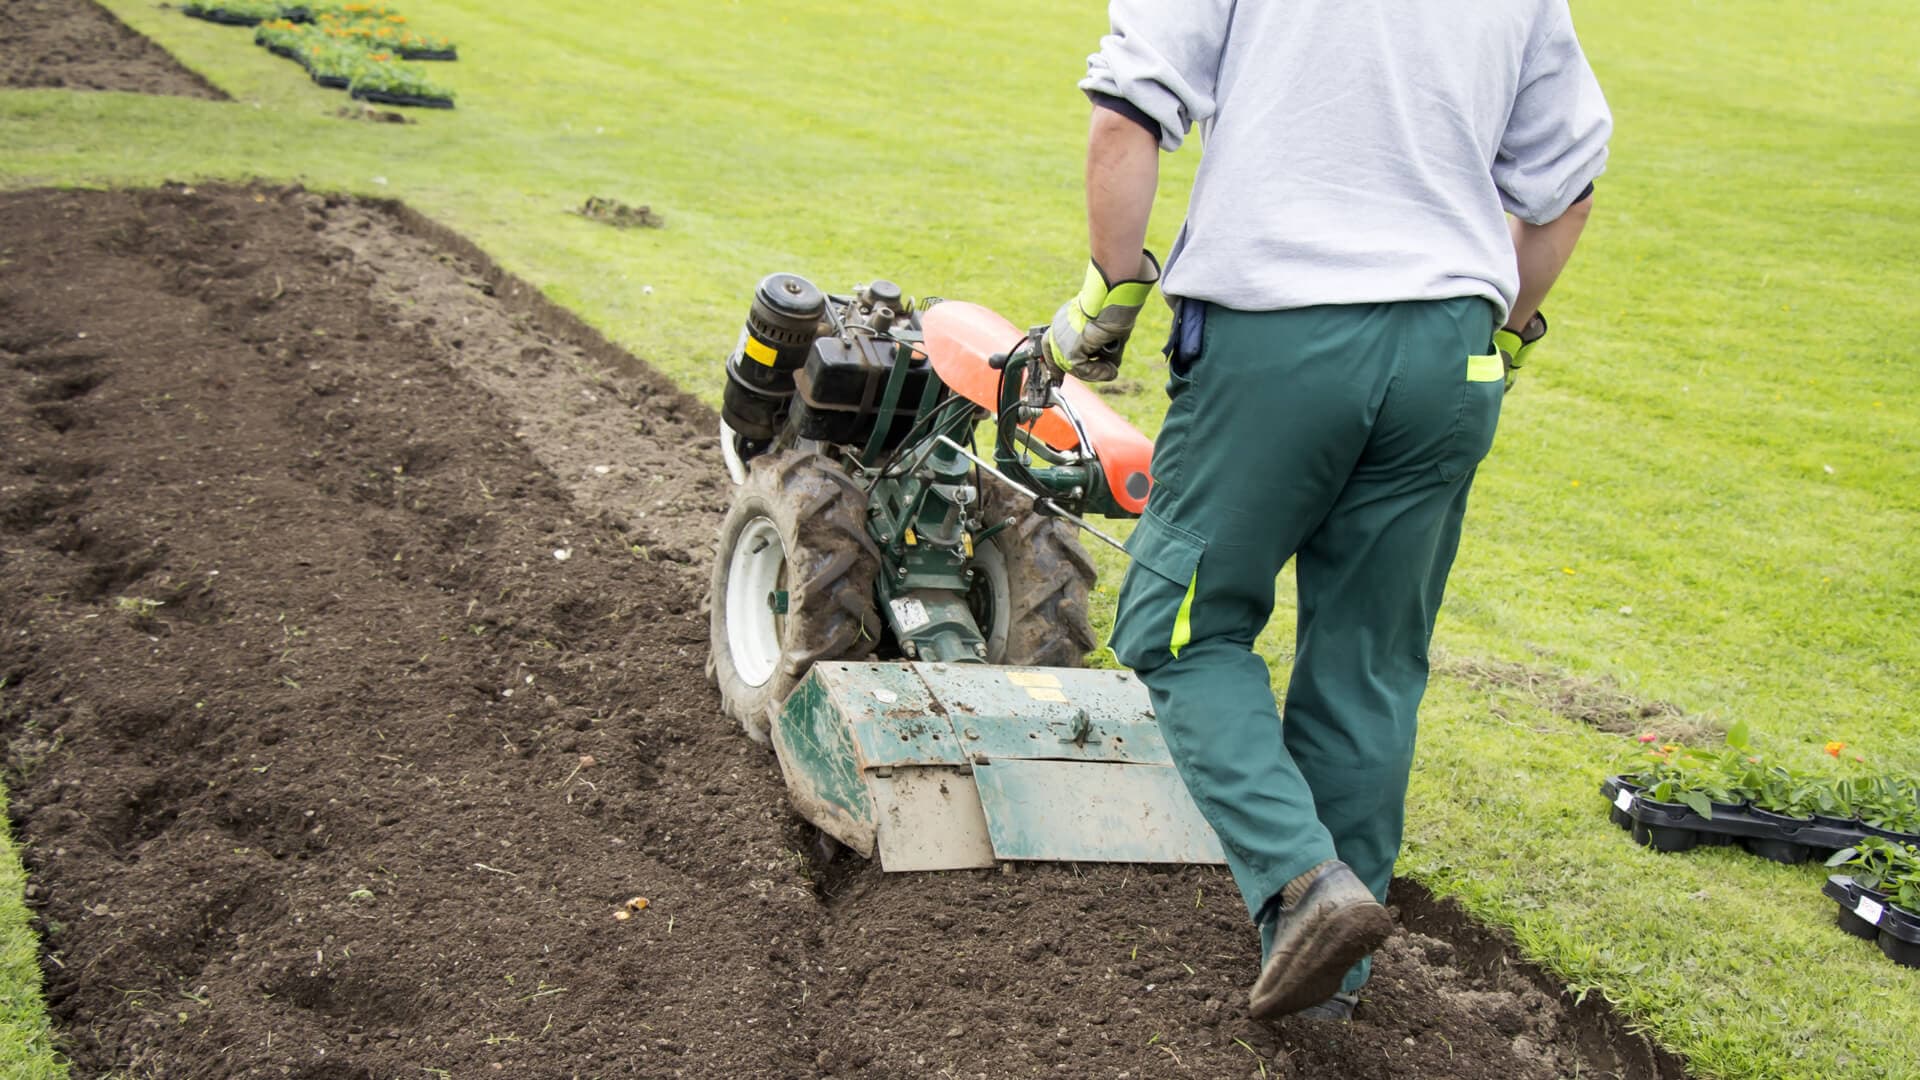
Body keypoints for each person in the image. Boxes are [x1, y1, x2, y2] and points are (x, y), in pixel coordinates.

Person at [1045, 1, 1611, 1021]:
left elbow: (1126, 114)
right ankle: (1324, 995)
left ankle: (1305, 883)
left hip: (1277, 336)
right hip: (1453, 349)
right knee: (1369, 666)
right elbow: (1564, 187)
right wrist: (1509, 335)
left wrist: (1111, 293)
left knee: (1180, 631)